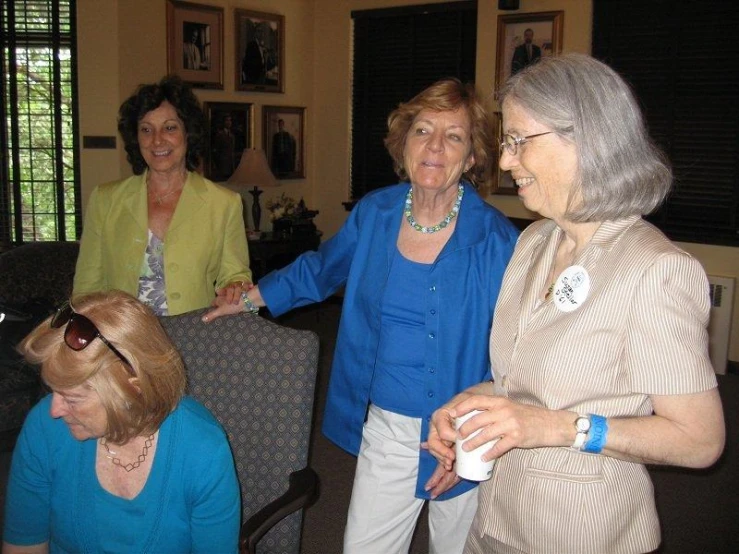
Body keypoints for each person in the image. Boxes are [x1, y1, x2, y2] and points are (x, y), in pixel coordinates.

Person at [204, 78, 519, 553]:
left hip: (463, 429)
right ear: (403, 144)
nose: (435, 146)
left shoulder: (497, 240)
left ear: (472, 157)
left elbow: (514, 348)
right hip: (388, 425)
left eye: (453, 136)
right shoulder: (375, 212)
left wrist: (469, 440)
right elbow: (322, 268)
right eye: (422, 131)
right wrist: (251, 298)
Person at [427, 53, 725, 554]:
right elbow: (530, 382)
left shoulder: (654, 269)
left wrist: (560, 427)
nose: (503, 161)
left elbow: (699, 441)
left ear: (587, 139)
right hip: (498, 516)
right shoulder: (535, 243)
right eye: (506, 142)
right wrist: (472, 404)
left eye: (519, 141)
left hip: (583, 529)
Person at [2, 291, 240, 552]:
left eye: (73, 398)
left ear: (133, 389)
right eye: (53, 390)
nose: (54, 410)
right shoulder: (45, 427)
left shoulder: (202, 449)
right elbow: (23, 544)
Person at [73, 75, 252, 317]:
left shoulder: (224, 204)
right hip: (122, 340)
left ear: (188, 134)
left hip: (193, 340)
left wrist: (236, 287)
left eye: (169, 128)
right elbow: (87, 288)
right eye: (146, 129)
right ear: (136, 138)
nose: (157, 140)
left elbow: (235, 275)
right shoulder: (105, 200)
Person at [212, 114, 237, 180]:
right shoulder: (220, 135)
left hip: (231, 166)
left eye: (230, 120)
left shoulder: (232, 136)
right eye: (227, 120)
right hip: (222, 165)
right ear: (223, 122)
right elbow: (216, 150)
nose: (229, 122)